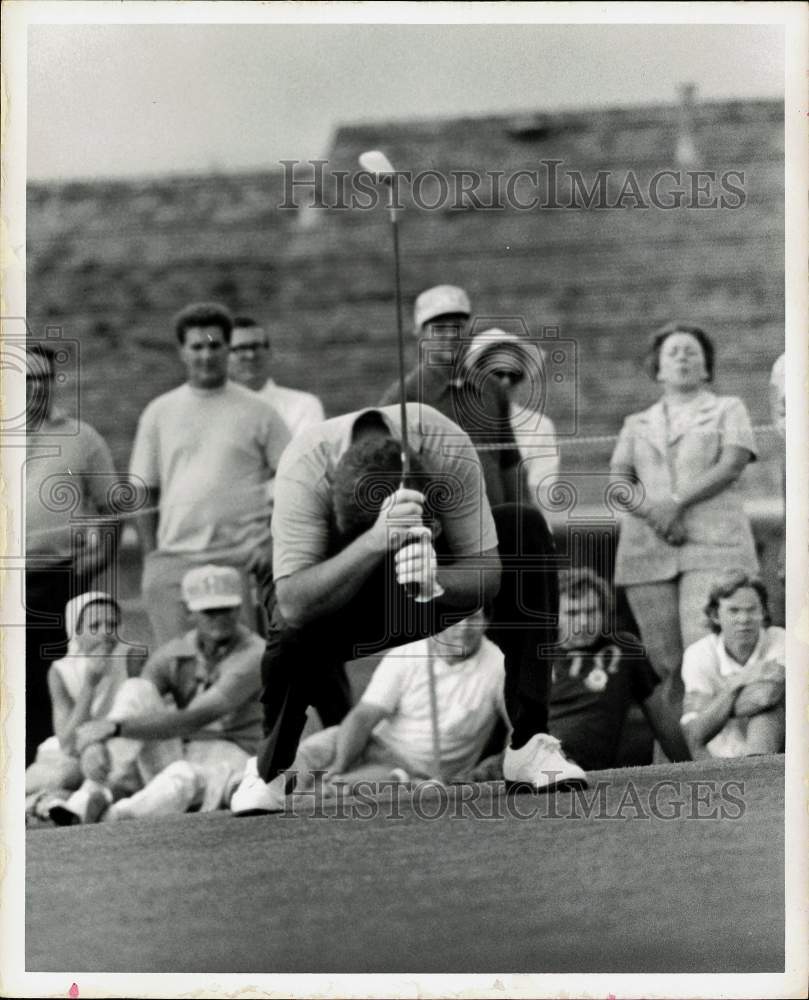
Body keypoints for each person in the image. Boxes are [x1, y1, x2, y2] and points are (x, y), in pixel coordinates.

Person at [231, 405, 586, 815]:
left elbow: (488, 574)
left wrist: (438, 579)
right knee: (288, 623)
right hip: (339, 601)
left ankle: (529, 747)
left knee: (524, 529)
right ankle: (273, 768)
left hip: (428, 586)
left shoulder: (447, 447)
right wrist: (373, 543)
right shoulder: (305, 465)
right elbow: (293, 603)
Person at [610, 322, 759, 743]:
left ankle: (730, 752)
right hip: (648, 551)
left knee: (707, 651)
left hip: (712, 544)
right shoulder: (636, 422)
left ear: (707, 367)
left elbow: (731, 463)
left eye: (692, 351)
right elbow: (619, 481)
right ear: (657, 368)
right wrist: (657, 515)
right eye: (673, 352)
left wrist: (674, 503)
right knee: (667, 665)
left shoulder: (728, 408)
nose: (682, 358)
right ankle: (681, 757)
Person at [129, 302, 291, 646]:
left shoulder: (259, 411)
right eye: (197, 346)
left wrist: (272, 540)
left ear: (228, 348)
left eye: (215, 345)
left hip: (241, 558)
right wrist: (152, 557)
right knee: (177, 662)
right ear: (182, 352)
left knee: (242, 659)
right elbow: (143, 489)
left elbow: (293, 478)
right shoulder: (159, 412)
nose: (207, 355)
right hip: (176, 559)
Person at [50, 565, 265, 823]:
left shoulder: (255, 654)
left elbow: (194, 718)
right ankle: (91, 795)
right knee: (137, 689)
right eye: (209, 610)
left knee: (182, 776)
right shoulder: (175, 651)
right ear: (189, 611)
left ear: (239, 607)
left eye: (226, 608)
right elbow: (138, 697)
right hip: (184, 748)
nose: (218, 617)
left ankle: (111, 815)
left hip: (237, 755)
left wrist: (112, 728)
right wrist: (95, 743)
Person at [25, 342, 119, 764]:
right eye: (25, 379)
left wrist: (100, 559)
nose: (35, 388)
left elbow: (113, 506)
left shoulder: (80, 437)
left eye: (43, 379)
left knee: (56, 677)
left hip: (60, 578)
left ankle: (53, 768)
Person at [291, 610, 508, 794]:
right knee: (300, 757)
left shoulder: (499, 666)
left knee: (335, 790)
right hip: (370, 741)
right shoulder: (408, 652)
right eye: (453, 619)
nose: (463, 627)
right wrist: (340, 763)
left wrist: (498, 767)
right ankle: (271, 793)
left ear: (486, 622)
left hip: (413, 771)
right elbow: (364, 717)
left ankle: (302, 799)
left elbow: (519, 730)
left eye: (473, 618)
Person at [379, 284, 524, 507]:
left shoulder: (491, 389)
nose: (449, 336)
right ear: (420, 333)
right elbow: (384, 469)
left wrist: (525, 513)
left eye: (456, 327)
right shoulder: (402, 396)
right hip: (439, 526)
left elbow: (510, 462)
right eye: (439, 328)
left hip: (497, 517)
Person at [25, 592, 145, 806]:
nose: (106, 632)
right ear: (77, 631)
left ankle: (54, 805)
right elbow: (68, 743)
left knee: (111, 774)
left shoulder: (132, 657)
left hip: (121, 744)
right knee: (65, 774)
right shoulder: (61, 670)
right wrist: (90, 684)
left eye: (112, 624)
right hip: (75, 751)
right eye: (95, 625)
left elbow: (141, 712)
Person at [680, 572, 785, 760]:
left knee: (769, 710)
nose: (744, 619)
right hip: (721, 758)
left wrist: (713, 710)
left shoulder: (780, 639)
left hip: (771, 751)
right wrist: (739, 681)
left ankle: (756, 771)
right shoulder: (698, 653)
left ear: (763, 612)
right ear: (715, 615)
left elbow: (765, 697)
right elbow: (694, 735)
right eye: (734, 610)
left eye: (752, 609)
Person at [463, 328, 560, 509]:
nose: (506, 382)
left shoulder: (540, 426)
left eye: (513, 374)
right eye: (497, 373)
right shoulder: (456, 421)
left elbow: (542, 498)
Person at [227, 315, 325, 437]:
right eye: (240, 349)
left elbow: (305, 454)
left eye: (256, 347)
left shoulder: (303, 406)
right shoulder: (213, 408)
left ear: (269, 352)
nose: (251, 355)